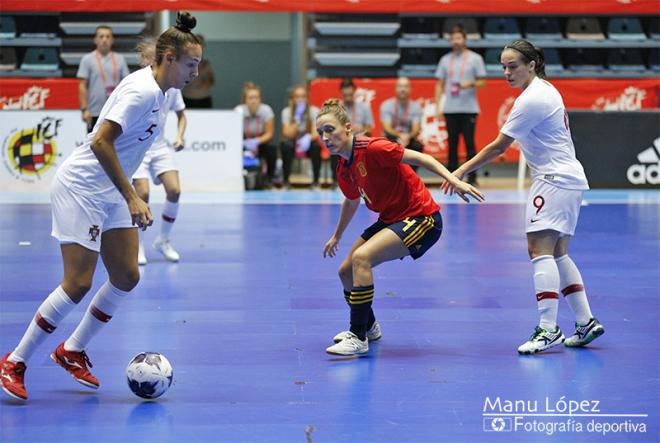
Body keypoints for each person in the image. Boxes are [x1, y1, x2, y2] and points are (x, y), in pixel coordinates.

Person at [0, 11, 202, 401]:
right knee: (78, 282)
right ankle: (15, 361)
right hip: (82, 188)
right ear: (170, 59)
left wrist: (124, 193)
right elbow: (99, 142)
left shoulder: (163, 92)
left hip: (110, 190)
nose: (196, 71)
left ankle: (71, 350)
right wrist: (132, 196)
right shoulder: (141, 91)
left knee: (127, 275)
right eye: (191, 64)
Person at [442, 40, 604, 355]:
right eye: (503, 66)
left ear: (532, 64)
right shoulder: (545, 90)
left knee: (538, 250)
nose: (507, 72)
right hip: (569, 179)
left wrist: (458, 171)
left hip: (553, 179)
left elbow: (498, 147)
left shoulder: (533, 99)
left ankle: (548, 329)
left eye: (513, 65)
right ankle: (585, 322)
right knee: (558, 253)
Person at [317, 98, 484, 356]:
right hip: (391, 217)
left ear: (348, 128)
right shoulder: (343, 167)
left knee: (361, 259)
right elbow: (351, 201)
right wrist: (336, 235)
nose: (325, 137)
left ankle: (358, 336)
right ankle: (369, 326)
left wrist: (455, 179)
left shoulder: (373, 148)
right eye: (320, 133)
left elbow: (422, 157)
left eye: (330, 129)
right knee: (345, 271)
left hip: (422, 218)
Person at [132, 40, 188, 265]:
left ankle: (163, 240)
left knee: (174, 190)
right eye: (147, 59)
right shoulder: (138, 87)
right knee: (142, 195)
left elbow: (182, 114)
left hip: (160, 146)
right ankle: (138, 245)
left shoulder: (171, 87)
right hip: (139, 148)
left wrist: (180, 136)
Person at [435, 25, 486, 186]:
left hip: (469, 108)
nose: (455, 41)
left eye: (458, 38)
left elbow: (482, 82)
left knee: (470, 143)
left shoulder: (475, 58)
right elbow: (439, 84)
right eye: (453, 39)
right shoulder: (445, 60)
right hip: (450, 108)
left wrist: (469, 84)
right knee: (452, 144)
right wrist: (438, 106)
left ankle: (472, 177)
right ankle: (450, 177)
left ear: (464, 39)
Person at [78, 25, 130, 133]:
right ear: (95, 40)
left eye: (107, 36)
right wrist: (84, 109)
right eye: (101, 36)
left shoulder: (120, 59)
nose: (104, 39)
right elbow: (82, 85)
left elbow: (127, 84)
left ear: (112, 40)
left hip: (115, 111)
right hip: (94, 112)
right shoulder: (87, 59)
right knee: (93, 146)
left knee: (116, 146)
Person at [329, 78, 375, 187]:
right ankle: (336, 181)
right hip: (341, 140)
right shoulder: (335, 108)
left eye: (350, 95)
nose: (348, 98)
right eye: (346, 95)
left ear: (355, 92)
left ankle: (365, 180)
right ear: (341, 93)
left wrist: (362, 128)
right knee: (333, 146)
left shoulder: (364, 107)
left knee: (367, 147)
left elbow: (369, 127)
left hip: (358, 139)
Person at [235, 82, 277, 188]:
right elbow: (234, 133)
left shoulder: (266, 110)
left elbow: (269, 133)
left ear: (260, 99)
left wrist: (257, 141)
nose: (254, 101)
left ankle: (269, 178)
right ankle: (237, 177)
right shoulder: (239, 110)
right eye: (251, 98)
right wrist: (243, 143)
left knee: (272, 148)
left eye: (256, 98)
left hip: (260, 142)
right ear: (245, 99)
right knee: (234, 149)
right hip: (244, 142)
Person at [281, 84, 321, 189]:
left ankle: (316, 181)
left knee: (316, 146)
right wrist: (297, 118)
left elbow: (315, 132)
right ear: (293, 99)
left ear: (307, 98)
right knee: (286, 146)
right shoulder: (286, 112)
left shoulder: (314, 111)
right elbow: (287, 133)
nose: (300, 100)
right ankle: (286, 181)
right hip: (293, 142)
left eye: (303, 96)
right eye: (297, 97)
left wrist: (307, 139)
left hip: (307, 143)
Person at [379, 77, 424, 165]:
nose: (403, 89)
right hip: (391, 138)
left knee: (418, 146)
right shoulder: (386, 105)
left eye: (406, 86)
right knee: (383, 146)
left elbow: (416, 129)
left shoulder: (416, 107)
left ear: (410, 89)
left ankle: (412, 175)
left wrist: (407, 136)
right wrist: (400, 135)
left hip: (409, 138)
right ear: (396, 89)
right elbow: (386, 128)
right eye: (400, 86)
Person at [182, 35, 214, 108]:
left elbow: (212, 81)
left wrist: (206, 83)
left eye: (201, 44)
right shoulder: (184, 63)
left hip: (203, 99)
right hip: (188, 98)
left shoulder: (207, 64)